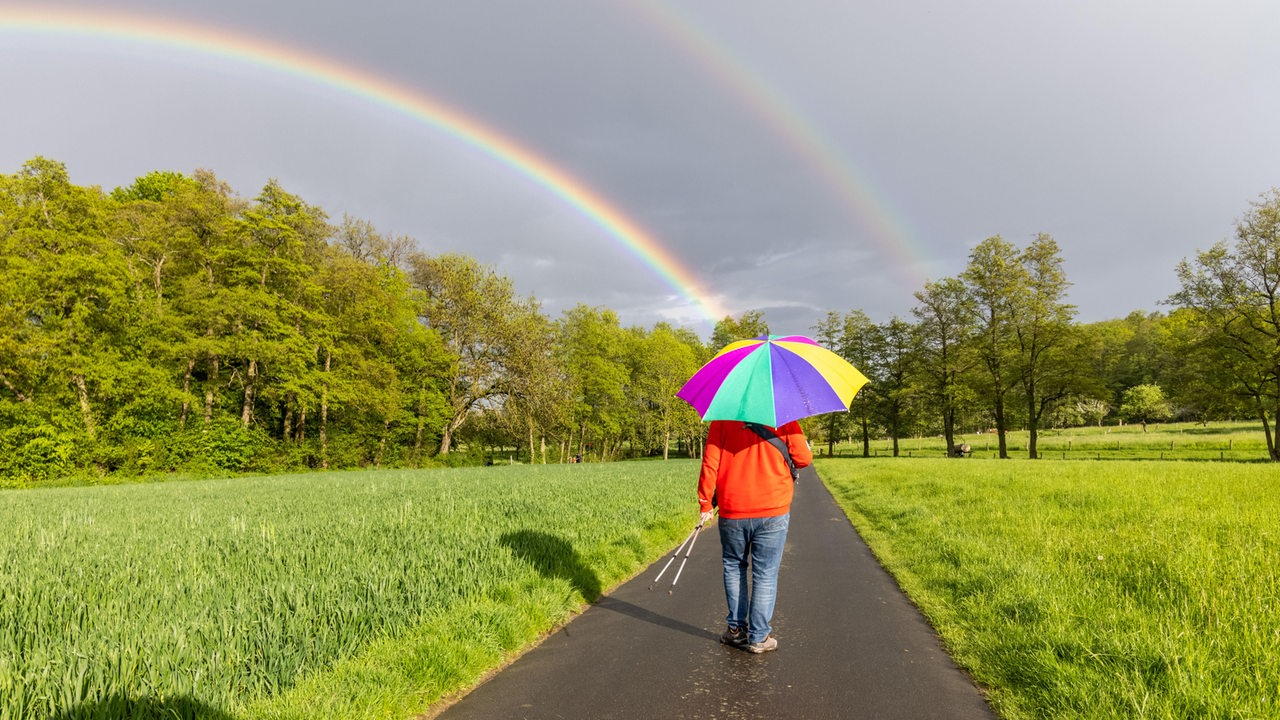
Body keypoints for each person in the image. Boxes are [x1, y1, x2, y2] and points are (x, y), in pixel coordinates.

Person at [697, 419, 812, 653]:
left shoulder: (722, 419)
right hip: (773, 509)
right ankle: (759, 637)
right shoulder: (784, 417)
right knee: (765, 573)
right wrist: (806, 447)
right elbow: (803, 459)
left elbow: (710, 462)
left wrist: (705, 503)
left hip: (732, 509)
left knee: (734, 566)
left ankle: (736, 631)